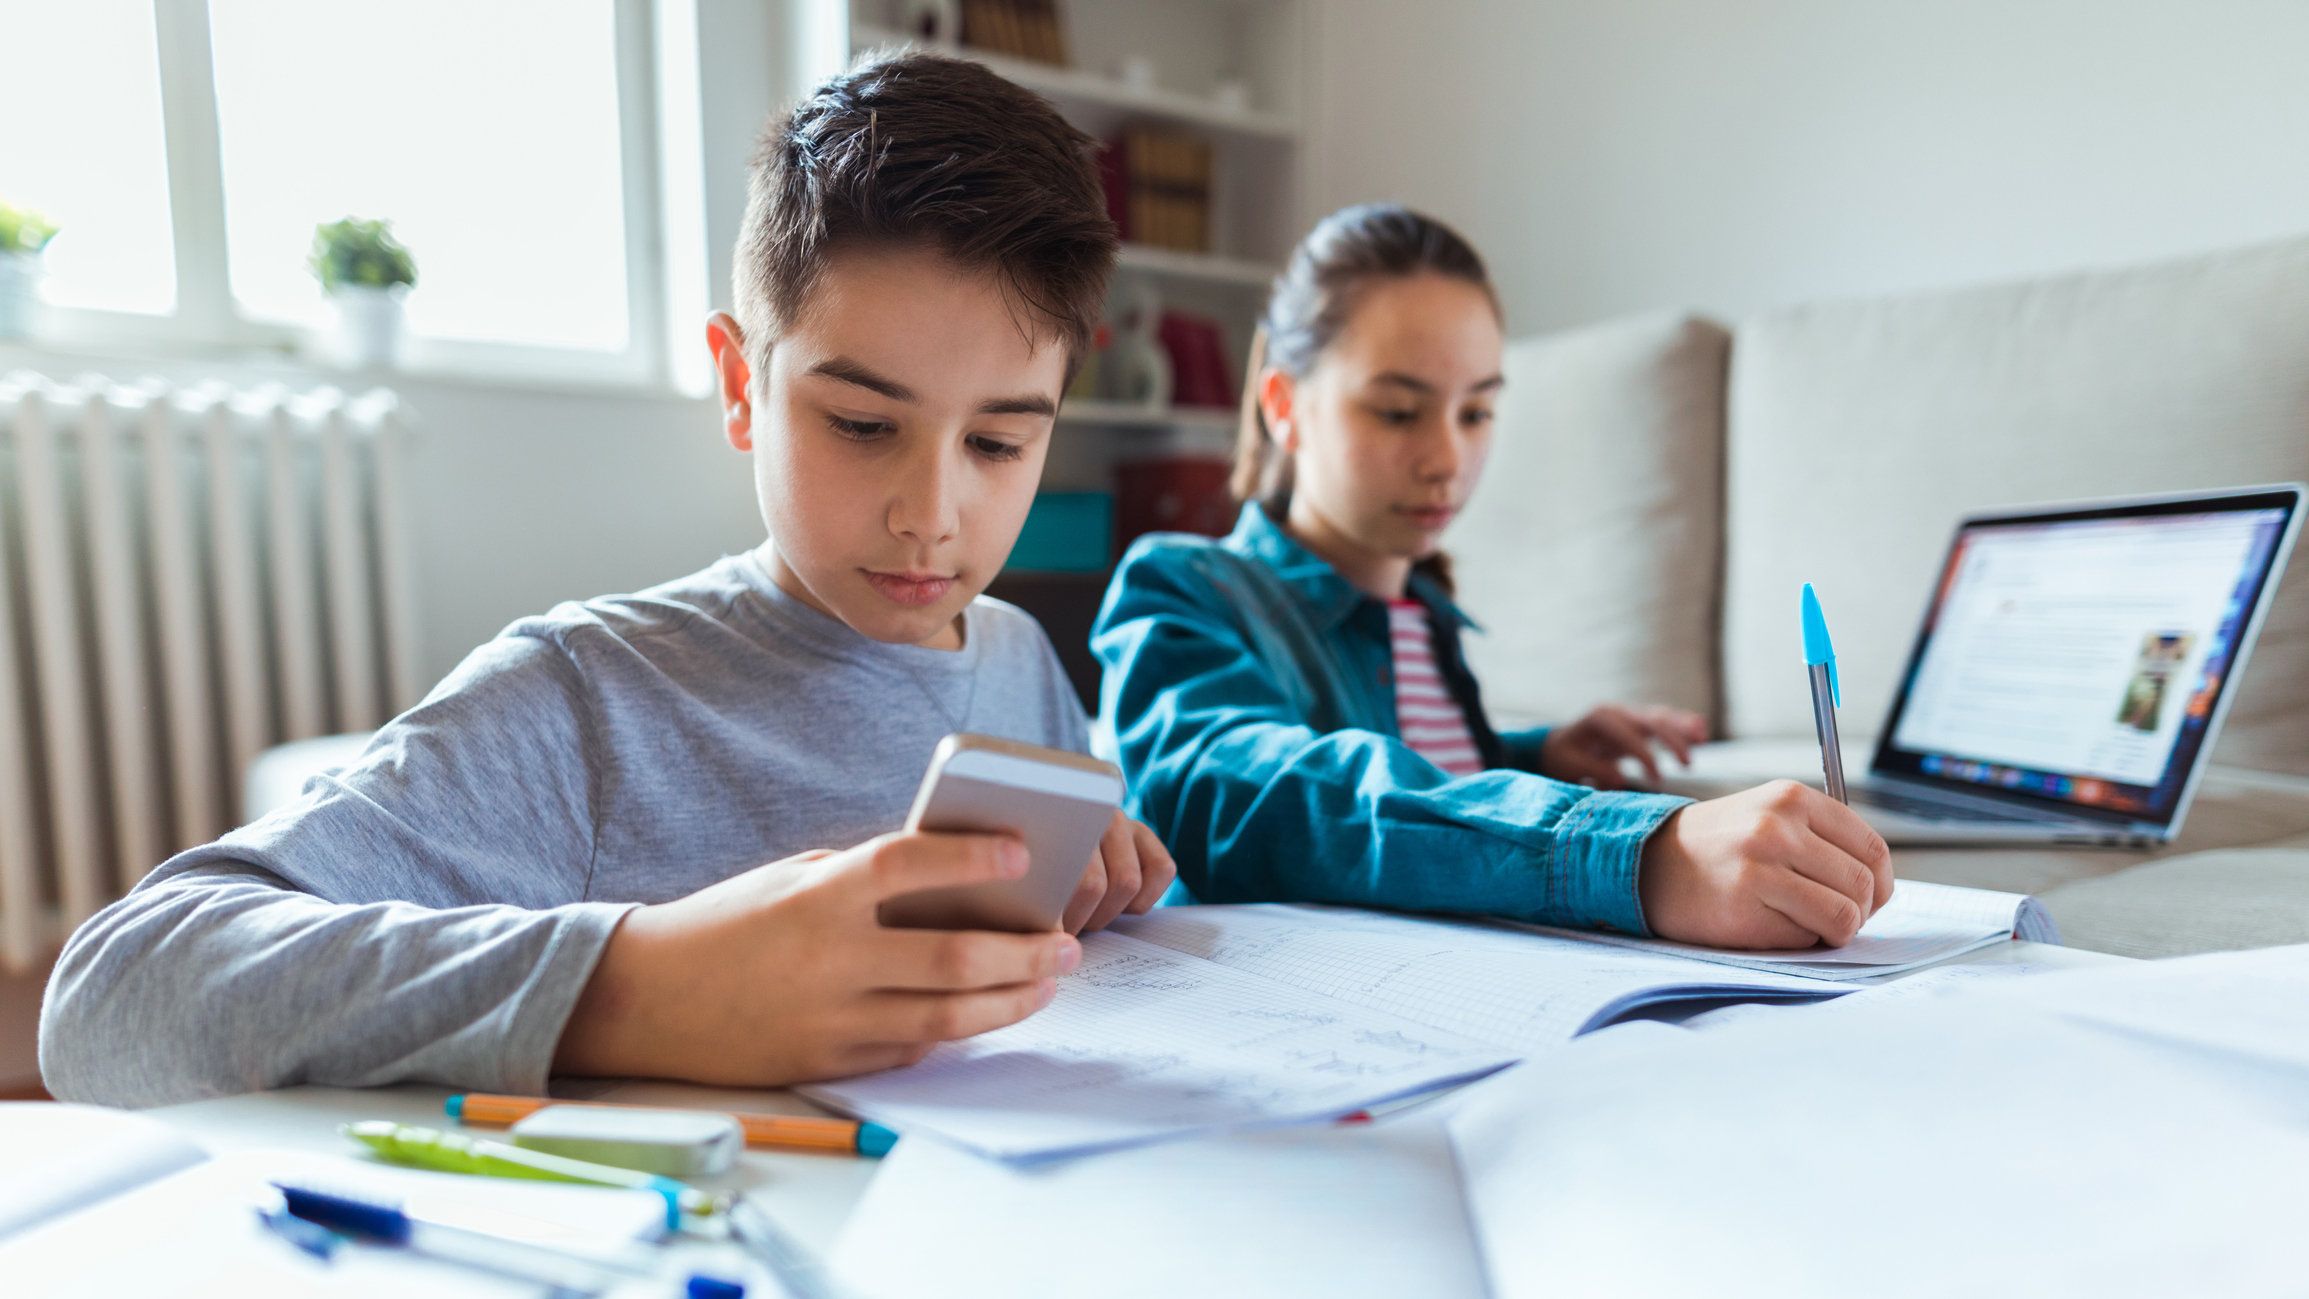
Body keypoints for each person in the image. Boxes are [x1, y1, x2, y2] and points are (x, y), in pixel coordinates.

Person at [41, 53, 1174, 1108]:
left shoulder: (1020, 659)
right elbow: (113, 995)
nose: (931, 517)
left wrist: (1096, 867)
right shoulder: (592, 697)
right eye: (862, 423)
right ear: (741, 385)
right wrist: (636, 984)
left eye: (997, 444)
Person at [1091, 203, 1887, 949]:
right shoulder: (1182, 586)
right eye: (1399, 412)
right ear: (1283, 405)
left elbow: (1410, 778)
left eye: (1475, 413)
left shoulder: (1423, 615)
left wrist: (1535, 755)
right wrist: (1637, 854)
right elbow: (1257, 792)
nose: (1446, 460)